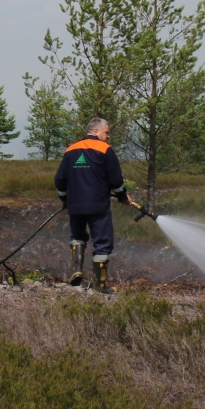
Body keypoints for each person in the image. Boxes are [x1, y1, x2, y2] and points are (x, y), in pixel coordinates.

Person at [54, 117, 135, 292]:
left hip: (75, 205)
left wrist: (64, 199)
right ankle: (101, 285)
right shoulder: (105, 149)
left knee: (77, 236)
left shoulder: (70, 150)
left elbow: (60, 179)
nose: (109, 136)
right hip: (98, 205)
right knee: (102, 242)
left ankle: (77, 271)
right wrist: (122, 196)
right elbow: (115, 179)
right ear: (96, 131)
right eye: (107, 132)